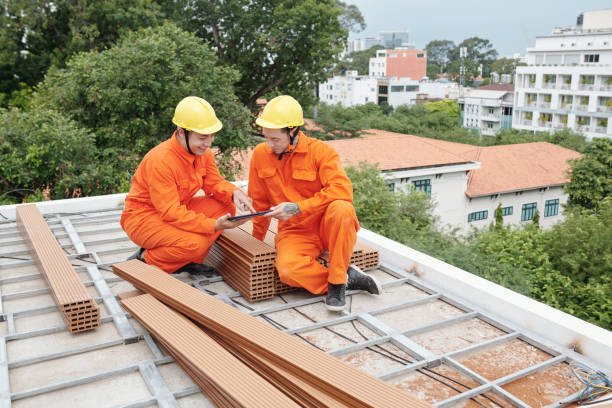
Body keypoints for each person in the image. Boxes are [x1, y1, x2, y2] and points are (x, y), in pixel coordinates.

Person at [248, 95, 381, 311]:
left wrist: (299, 207)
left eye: (275, 139)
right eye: (266, 138)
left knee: (342, 208)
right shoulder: (260, 155)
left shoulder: (321, 152)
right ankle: (348, 277)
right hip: (295, 232)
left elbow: (342, 189)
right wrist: (255, 243)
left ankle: (337, 285)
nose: (270, 145)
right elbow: (260, 202)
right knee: (288, 271)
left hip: (328, 228)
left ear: (293, 131)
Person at [121, 96, 254, 274]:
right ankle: (145, 261)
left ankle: (185, 258)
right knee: (195, 244)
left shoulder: (202, 153)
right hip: (143, 218)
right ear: (182, 132)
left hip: (175, 210)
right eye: (202, 137)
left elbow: (214, 183)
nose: (208, 143)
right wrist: (212, 225)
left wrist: (235, 193)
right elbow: (170, 212)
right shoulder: (161, 160)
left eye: (212, 136)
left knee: (226, 206)